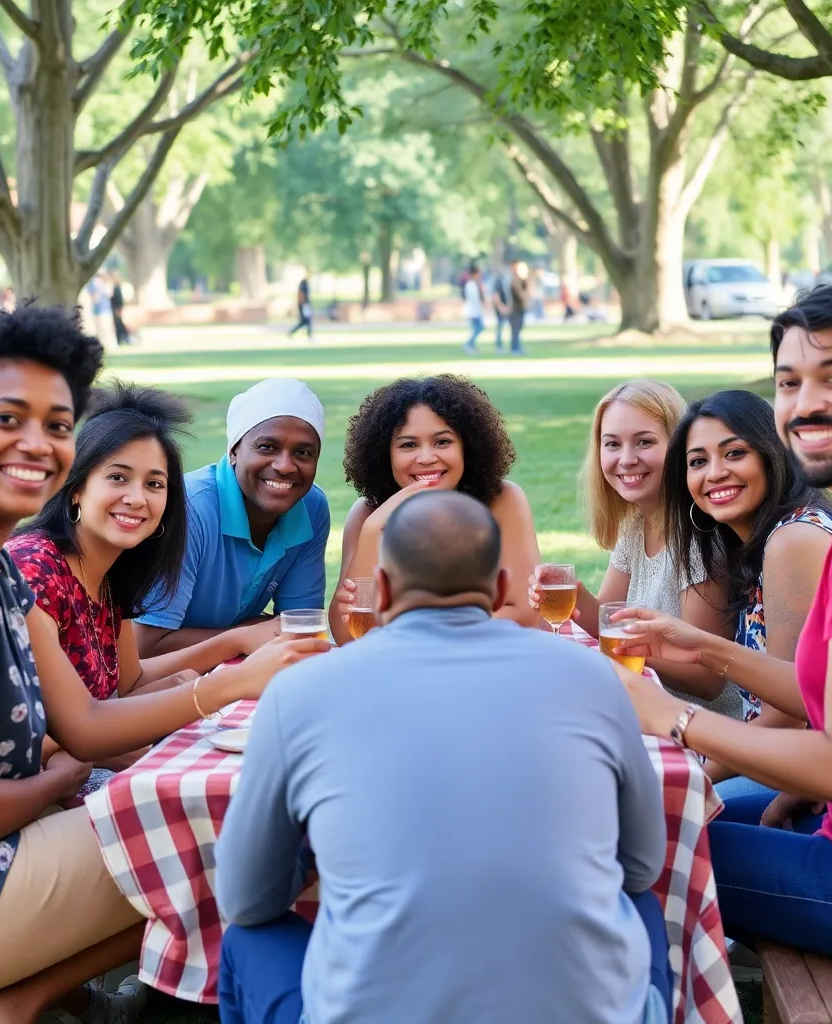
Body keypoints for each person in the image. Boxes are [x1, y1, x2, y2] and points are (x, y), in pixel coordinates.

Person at [0, 306, 327, 1022]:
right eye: (8, 419)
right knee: (222, 846)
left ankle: (21, 1001)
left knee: (208, 823)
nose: (37, 444)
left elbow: (92, 717)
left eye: (57, 425)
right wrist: (67, 773)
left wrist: (218, 678)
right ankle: (7, 1005)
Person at [215, 491, 672, 1024]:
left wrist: (317, 851)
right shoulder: (594, 676)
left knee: (246, 938)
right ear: (500, 586)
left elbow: (246, 900)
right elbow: (640, 867)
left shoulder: (297, 694)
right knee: (641, 906)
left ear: (381, 591)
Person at [614, 280, 832, 977]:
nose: (806, 402)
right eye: (789, 382)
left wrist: (673, 720)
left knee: (631, 839)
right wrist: (707, 648)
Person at [6, 383, 259, 789]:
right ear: (76, 490)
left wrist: (224, 653)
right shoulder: (34, 570)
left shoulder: (111, 576)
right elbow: (20, 733)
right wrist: (208, 687)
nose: (137, 498)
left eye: (154, 484)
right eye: (118, 477)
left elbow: (129, 683)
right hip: (18, 794)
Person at [528, 380, 743, 718]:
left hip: (702, 728)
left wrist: (629, 649)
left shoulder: (701, 537)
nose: (626, 459)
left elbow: (708, 680)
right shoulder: (635, 522)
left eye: (644, 442)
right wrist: (573, 597)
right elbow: (608, 624)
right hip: (646, 707)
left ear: (680, 445)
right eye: (612, 444)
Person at [659, 390, 832, 744]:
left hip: (814, 772)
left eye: (735, 453)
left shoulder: (793, 540)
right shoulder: (755, 546)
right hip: (778, 759)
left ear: (772, 456)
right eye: (697, 462)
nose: (715, 473)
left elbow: (790, 718)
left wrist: (699, 771)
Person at [331, 375, 540, 645]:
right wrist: (373, 529)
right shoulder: (367, 515)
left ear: (467, 447)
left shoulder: (503, 500)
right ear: (386, 455)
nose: (427, 458)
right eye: (408, 445)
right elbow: (348, 635)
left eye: (442, 442)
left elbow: (523, 616)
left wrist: (409, 630)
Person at [135, 378, 330, 658]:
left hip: (229, 674)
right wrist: (244, 636)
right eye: (267, 446)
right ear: (234, 450)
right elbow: (145, 647)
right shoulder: (189, 508)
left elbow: (299, 631)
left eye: (303, 452)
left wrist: (254, 634)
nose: (285, 466)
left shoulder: (311, 506)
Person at [462, 263, 485, 353]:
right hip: (473, 311)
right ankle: (469, 344)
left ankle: (471, 345)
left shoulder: (474, 284)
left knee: (478, 328)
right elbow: (475, 299)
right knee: (478, 328)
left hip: (475, 310)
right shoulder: (471, 284)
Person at [508, 260, 529, 354]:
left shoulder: (523, 281)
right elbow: (522, 295)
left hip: (520, 308)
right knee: (515, 329)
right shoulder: (513, 280)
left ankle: (517, 347)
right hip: (514, 309)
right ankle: (514, 348)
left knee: (518, 328)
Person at [288, 271, 313, 340]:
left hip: (305, 304)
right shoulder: (303, 283)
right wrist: (304, 304)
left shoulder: (306, 283)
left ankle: (292, 332)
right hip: (304, 304)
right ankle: (309, 335)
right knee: (306, 320)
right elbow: (301, 294)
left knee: (304, 321)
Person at [110, 272, 132, 345]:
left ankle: (123, 338)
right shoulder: (114, 287)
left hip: (116, 308)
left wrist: (119, 308)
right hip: (114, 308)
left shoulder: (117, 287)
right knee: (118, 324)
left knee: (119, 324)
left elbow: (119, 299)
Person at [492, 269, 509, 352]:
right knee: (500, 326)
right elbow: (496, 295)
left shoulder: (506, 280)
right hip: (501, 308)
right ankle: (499, 345)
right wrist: (501, 306)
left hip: (507, 307)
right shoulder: (498, 281)